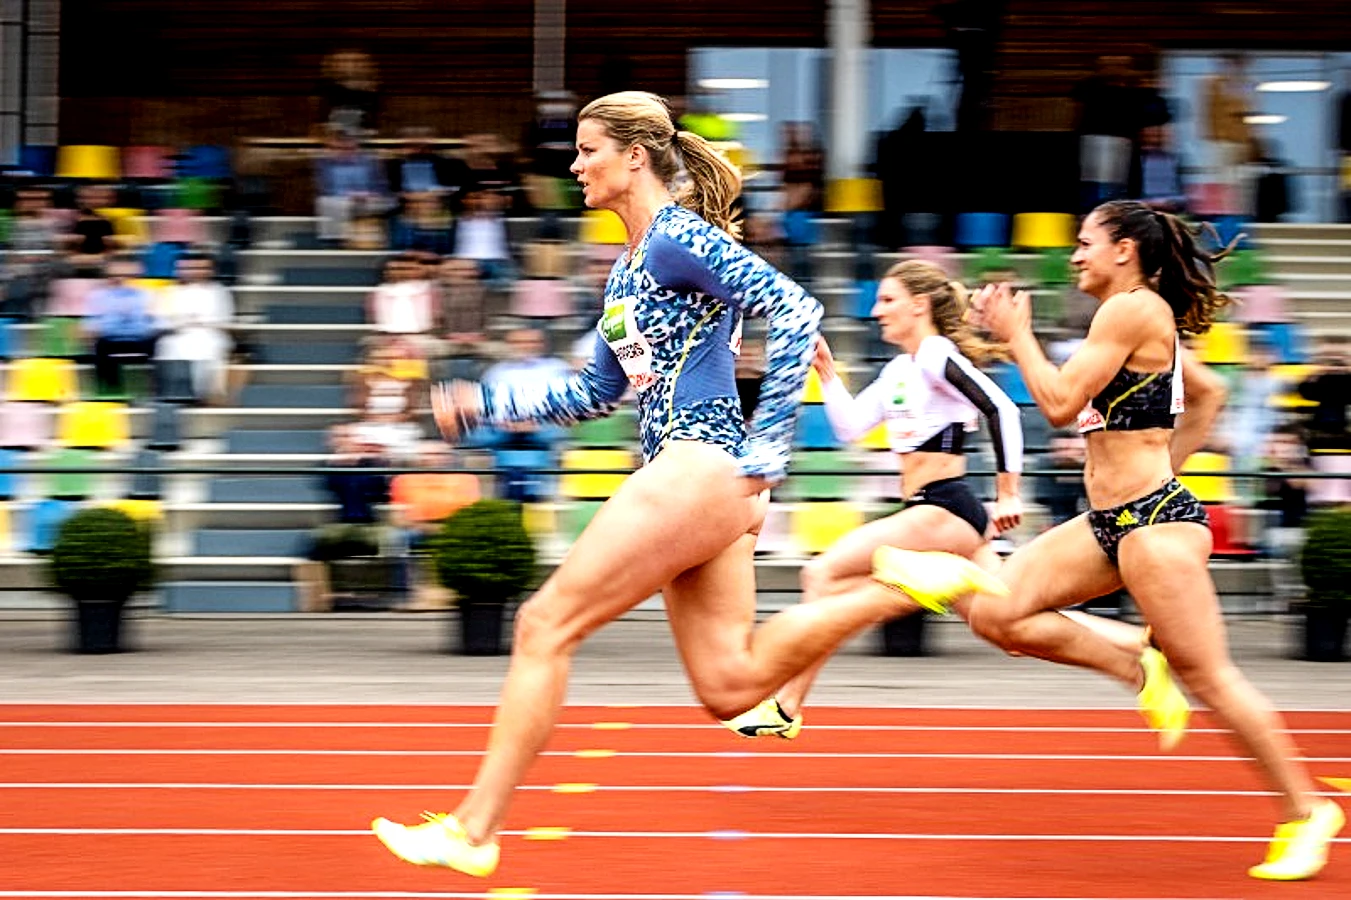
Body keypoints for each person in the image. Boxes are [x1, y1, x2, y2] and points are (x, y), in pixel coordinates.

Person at [369, 89, 1004, 877]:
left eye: (586, 149)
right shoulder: (626, 272)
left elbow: (794, 307)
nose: (573, 165)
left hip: (700, 463)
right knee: (732, 688)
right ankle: (904, 582)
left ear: (633, 157)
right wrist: (487, 404)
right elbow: (590, 394)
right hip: (698, 478)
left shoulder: (676, 236)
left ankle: (472, 831)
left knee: (541, 626)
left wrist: (767, 443)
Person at [971, 199, 1344, 881]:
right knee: (996, 610)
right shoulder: (1139, 320)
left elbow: (1057, 405)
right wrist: (1162, 467)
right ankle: (1139, 665)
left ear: (1124, 251)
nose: (1073, 255)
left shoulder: (1130, 308)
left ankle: (1305, 811)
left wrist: (1014, 333)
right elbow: (1206, 395)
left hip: (1151, 526)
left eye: (1084, 243)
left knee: (1210, 676)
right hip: (1113, 520)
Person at [748, 260, 1028, 727]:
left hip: (945, 506)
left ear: (919, 306)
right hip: (936, 512)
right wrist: (829, 374)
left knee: (822, 575)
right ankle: (1135, 647)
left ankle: (786, 704)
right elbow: (850, 428)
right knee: (1011, 627)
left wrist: (1009, 493)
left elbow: (1002, 408)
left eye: (888, 300)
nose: (876, 311)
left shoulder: (937, 354)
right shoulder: (901, 369)